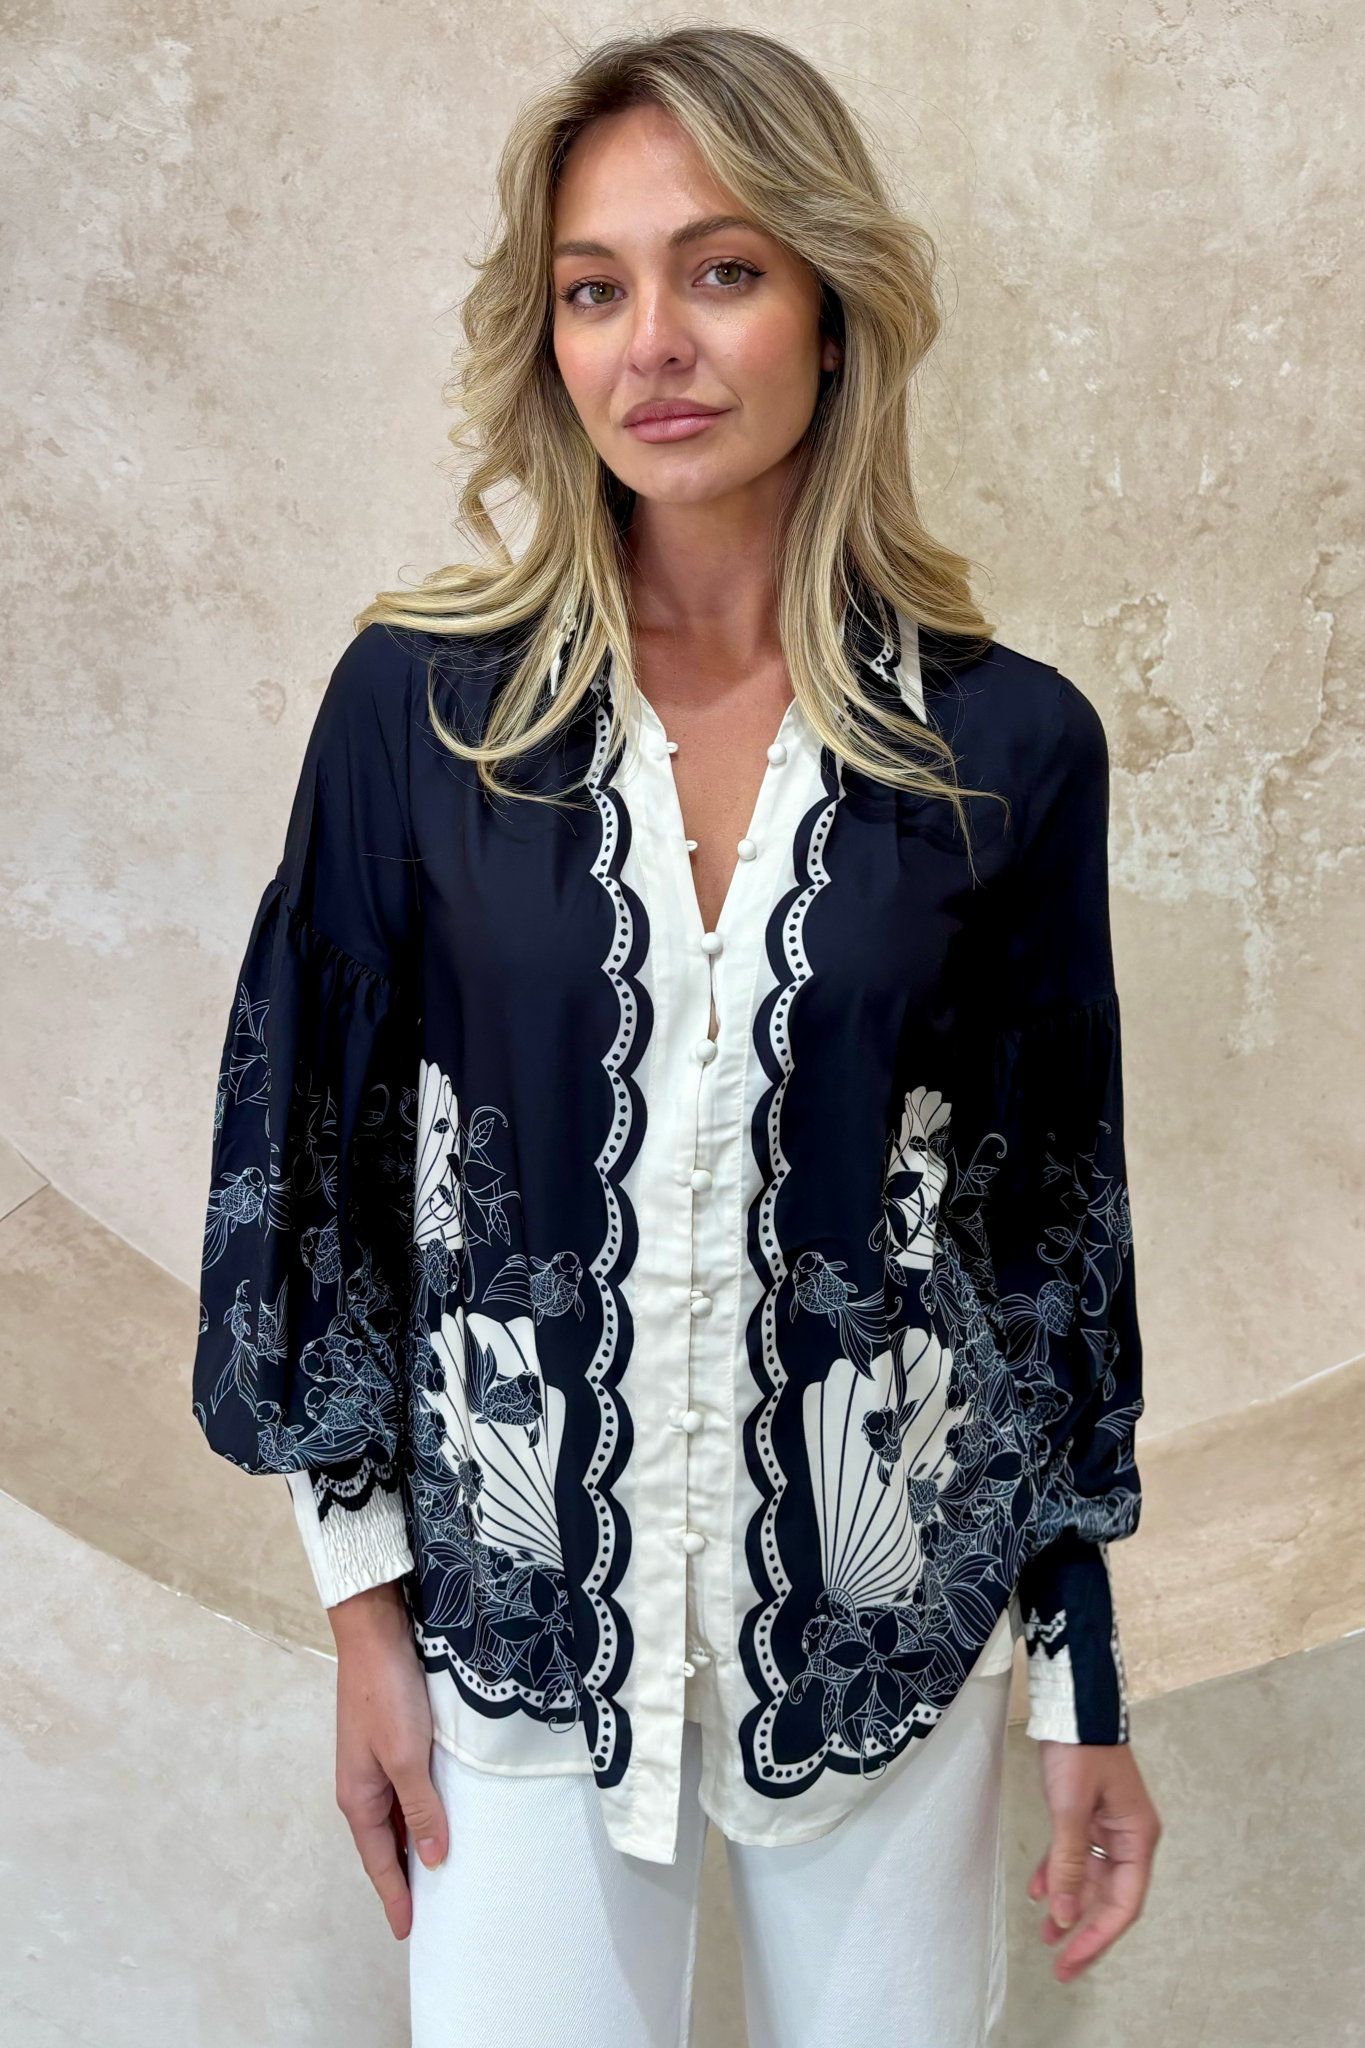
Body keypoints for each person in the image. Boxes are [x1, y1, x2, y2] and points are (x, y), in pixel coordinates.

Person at [192, 25, 1160, 2047]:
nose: (654, 345)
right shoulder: (420, 717)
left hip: (891, 1647)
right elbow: (314, 1185)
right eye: (592, 287)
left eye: (721, 271)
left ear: (832, 308)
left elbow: (1049, 1250)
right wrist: (361, 1618)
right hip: (514, 1642)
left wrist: (1082, 1688)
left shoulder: (1009, 746)